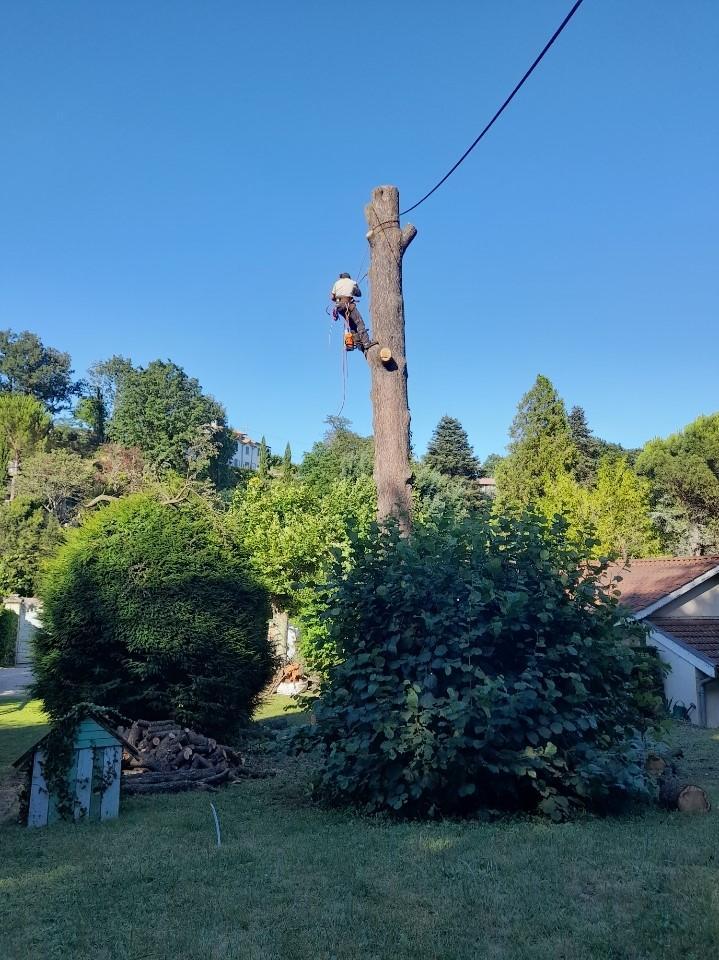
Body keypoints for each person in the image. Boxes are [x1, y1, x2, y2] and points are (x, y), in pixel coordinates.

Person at [330, 273, 374, 352]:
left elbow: (332, 297)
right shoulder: (353, 282)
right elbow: (359, 294)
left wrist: (339, 298)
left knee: (352, 324)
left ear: (342, 278)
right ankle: (366, 343)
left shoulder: (337, 283)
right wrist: (353, 290)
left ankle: (358, 343)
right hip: (348, 305)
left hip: (339, 307)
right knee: (359, 323)